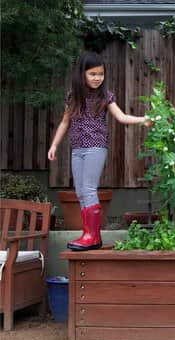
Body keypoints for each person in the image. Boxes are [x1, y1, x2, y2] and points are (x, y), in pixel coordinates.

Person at [48, 51, 152, 251]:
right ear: (82, 74)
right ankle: (87, 233)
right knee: (80, 192)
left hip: (95, 147)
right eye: (92, 74)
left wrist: (143, 120)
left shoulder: (106, 96)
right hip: (77, 149)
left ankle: (93, 236)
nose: (97, 78)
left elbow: (121, 117)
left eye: (101, 74)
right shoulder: (73, 96)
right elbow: (64, 122)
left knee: (88, 189)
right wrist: (54, 145)